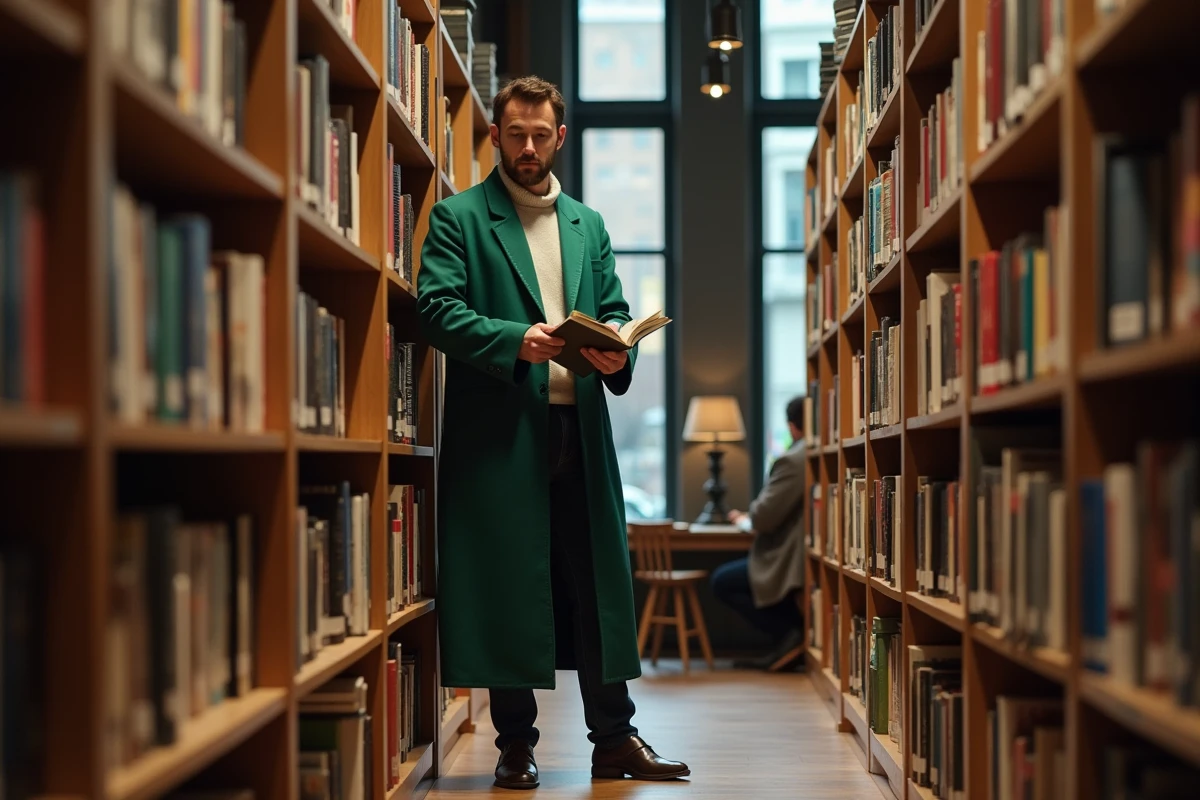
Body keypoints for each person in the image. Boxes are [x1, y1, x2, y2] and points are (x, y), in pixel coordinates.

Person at [416, 76, 688, 790]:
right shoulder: (458, 218)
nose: (529, 147)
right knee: (510, 580)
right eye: (516, 135)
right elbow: (435, 310)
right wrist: (516, 339)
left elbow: (614, 307)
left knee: (595, 583)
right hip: (501, 433)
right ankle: (515, 744)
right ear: (496, 136)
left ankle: (615, 739)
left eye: (541, 135)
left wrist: (619, 349)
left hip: (579, 429)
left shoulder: (587, 225)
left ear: (560, 137)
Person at [714, 395, 808, 672]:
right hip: (801, 552)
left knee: (722, 582)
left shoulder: (794, 459)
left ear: (791, 427)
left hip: (787, 557)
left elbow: (763, 518)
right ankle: (789, 639)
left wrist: (746, 517)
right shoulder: (815, 452)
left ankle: (792, 632)